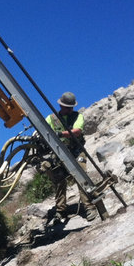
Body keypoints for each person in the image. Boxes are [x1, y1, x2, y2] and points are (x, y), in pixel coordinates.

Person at [40, 91, 98, 224]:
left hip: (76, 151)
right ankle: (60, 210)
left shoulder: (78, 116)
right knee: (58, 178)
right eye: (67, 107)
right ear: (61, 106)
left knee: (81, 174)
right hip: (60, 152)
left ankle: (89, 206)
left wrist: (59, 134)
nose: (69, 109)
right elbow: (43, 130)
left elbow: (77, 131)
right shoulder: (51, 118)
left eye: (71, 107)